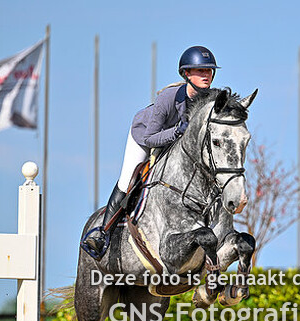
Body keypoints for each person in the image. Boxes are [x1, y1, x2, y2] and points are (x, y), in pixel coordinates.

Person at [81, 45, 219, 259]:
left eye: (209, 71)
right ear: (186, 74)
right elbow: (150, 138)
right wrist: (177, 132)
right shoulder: (168, 97)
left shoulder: (209, 99)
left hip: (176, 143)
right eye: (201, 71)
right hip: (145, 137)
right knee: (128, 179)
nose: (206, 75)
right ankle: (102, 234)